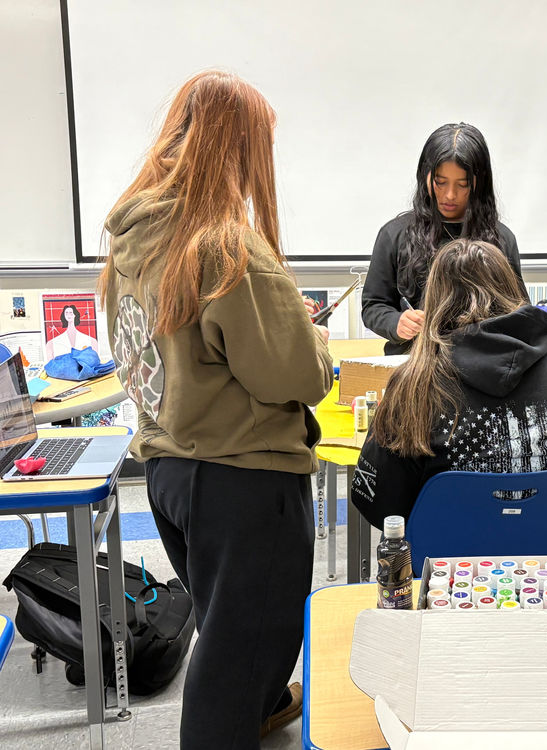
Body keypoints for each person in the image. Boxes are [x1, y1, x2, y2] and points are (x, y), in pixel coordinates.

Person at [98, 71, 334, 749]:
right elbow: (294, 376)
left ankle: (258, 706)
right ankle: (238, 714)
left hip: (171, 466)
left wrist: (278, 322)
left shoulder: (137, 230)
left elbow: (172, 349)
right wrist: (309, 338)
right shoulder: (227, 244)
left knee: (229, 623)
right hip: (242, 478)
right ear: (240, 149)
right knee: (236, 651)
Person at [351, 239, 547, 527]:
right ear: (511, 288)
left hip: (451, 566)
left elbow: (380, 506)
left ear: (435, 300)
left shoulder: (414, 385)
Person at [361, 123, 525, 354]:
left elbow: (518, 308)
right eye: (440, 182)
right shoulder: (395, 234)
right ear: (425, 176)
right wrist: (396, 323)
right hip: (413, 364)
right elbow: (374, 305)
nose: (450, 195)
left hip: (483, 367)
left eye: (463, 184)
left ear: (480, 183)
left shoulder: (501, 239)